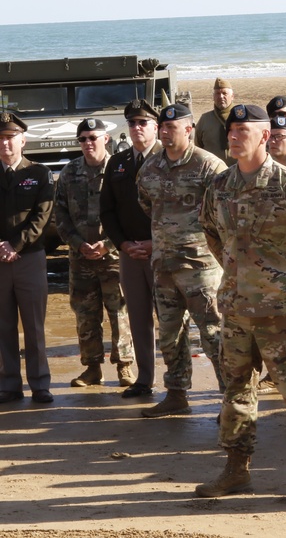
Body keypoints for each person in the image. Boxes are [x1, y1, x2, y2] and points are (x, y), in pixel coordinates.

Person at [197, 103, 286, 505]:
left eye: (244, 129)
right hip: (237, 310)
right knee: (236, 393)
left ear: (264, 137)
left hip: (283, 313)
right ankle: (236, 470)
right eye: (232, 130)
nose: (234, 135)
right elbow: (211, 232)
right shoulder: (220, 186)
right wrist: (237, 273)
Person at [137, 104, 226, 417]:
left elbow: (225, 212)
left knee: (213, 334)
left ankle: (232, 398)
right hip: (164, 267)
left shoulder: (208, 166)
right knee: (170, 335)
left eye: (172, 127)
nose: (164, 131)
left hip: (200, 268)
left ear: (188, 130)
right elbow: (146, 203)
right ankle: (176, 394)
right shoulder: (150, 167)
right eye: (162, 126)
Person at [53, 118, 135, 389]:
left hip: (113, 256)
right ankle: (92, 368)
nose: (88, 143)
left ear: (106, 139)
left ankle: (125, 367)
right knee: (85, 313)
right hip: (80, 257)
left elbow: (129, 213)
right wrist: (77, 243)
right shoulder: (69, 172)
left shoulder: (119, 170)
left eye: (93, 138)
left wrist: (109, 244)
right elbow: (60, 213)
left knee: (119, 311)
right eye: (83, 139)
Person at [100, 100, 161, 398]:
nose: (137, 128)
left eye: (143, 123)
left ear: (155, 126)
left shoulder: (168, 158)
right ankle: (145, 379)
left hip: (163, 253)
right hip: (130, 254)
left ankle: (178, 383)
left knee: (174, 320)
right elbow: (107, 210)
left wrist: (156, 243)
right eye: (132, 123)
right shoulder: (118, 162)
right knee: (137, 318)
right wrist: (123, 245)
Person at [0, 112, 54, 405]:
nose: (5, 144)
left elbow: (41, 217)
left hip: (29, 258)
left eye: (10, 138)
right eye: (0, 139)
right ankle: (8, 384)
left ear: (23, 139)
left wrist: (15, 245)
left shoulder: (39, 173)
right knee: (3, 325)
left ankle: (40, 383)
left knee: (33, 325)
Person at [194, 77, 237, 165]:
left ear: (232, 96)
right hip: (212, 172)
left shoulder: (240, 117)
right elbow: (198, 146)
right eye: (217, 93)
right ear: (213, 97)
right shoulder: (205, 119)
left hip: (238, 171)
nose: (221, 97)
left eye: (224, 93)